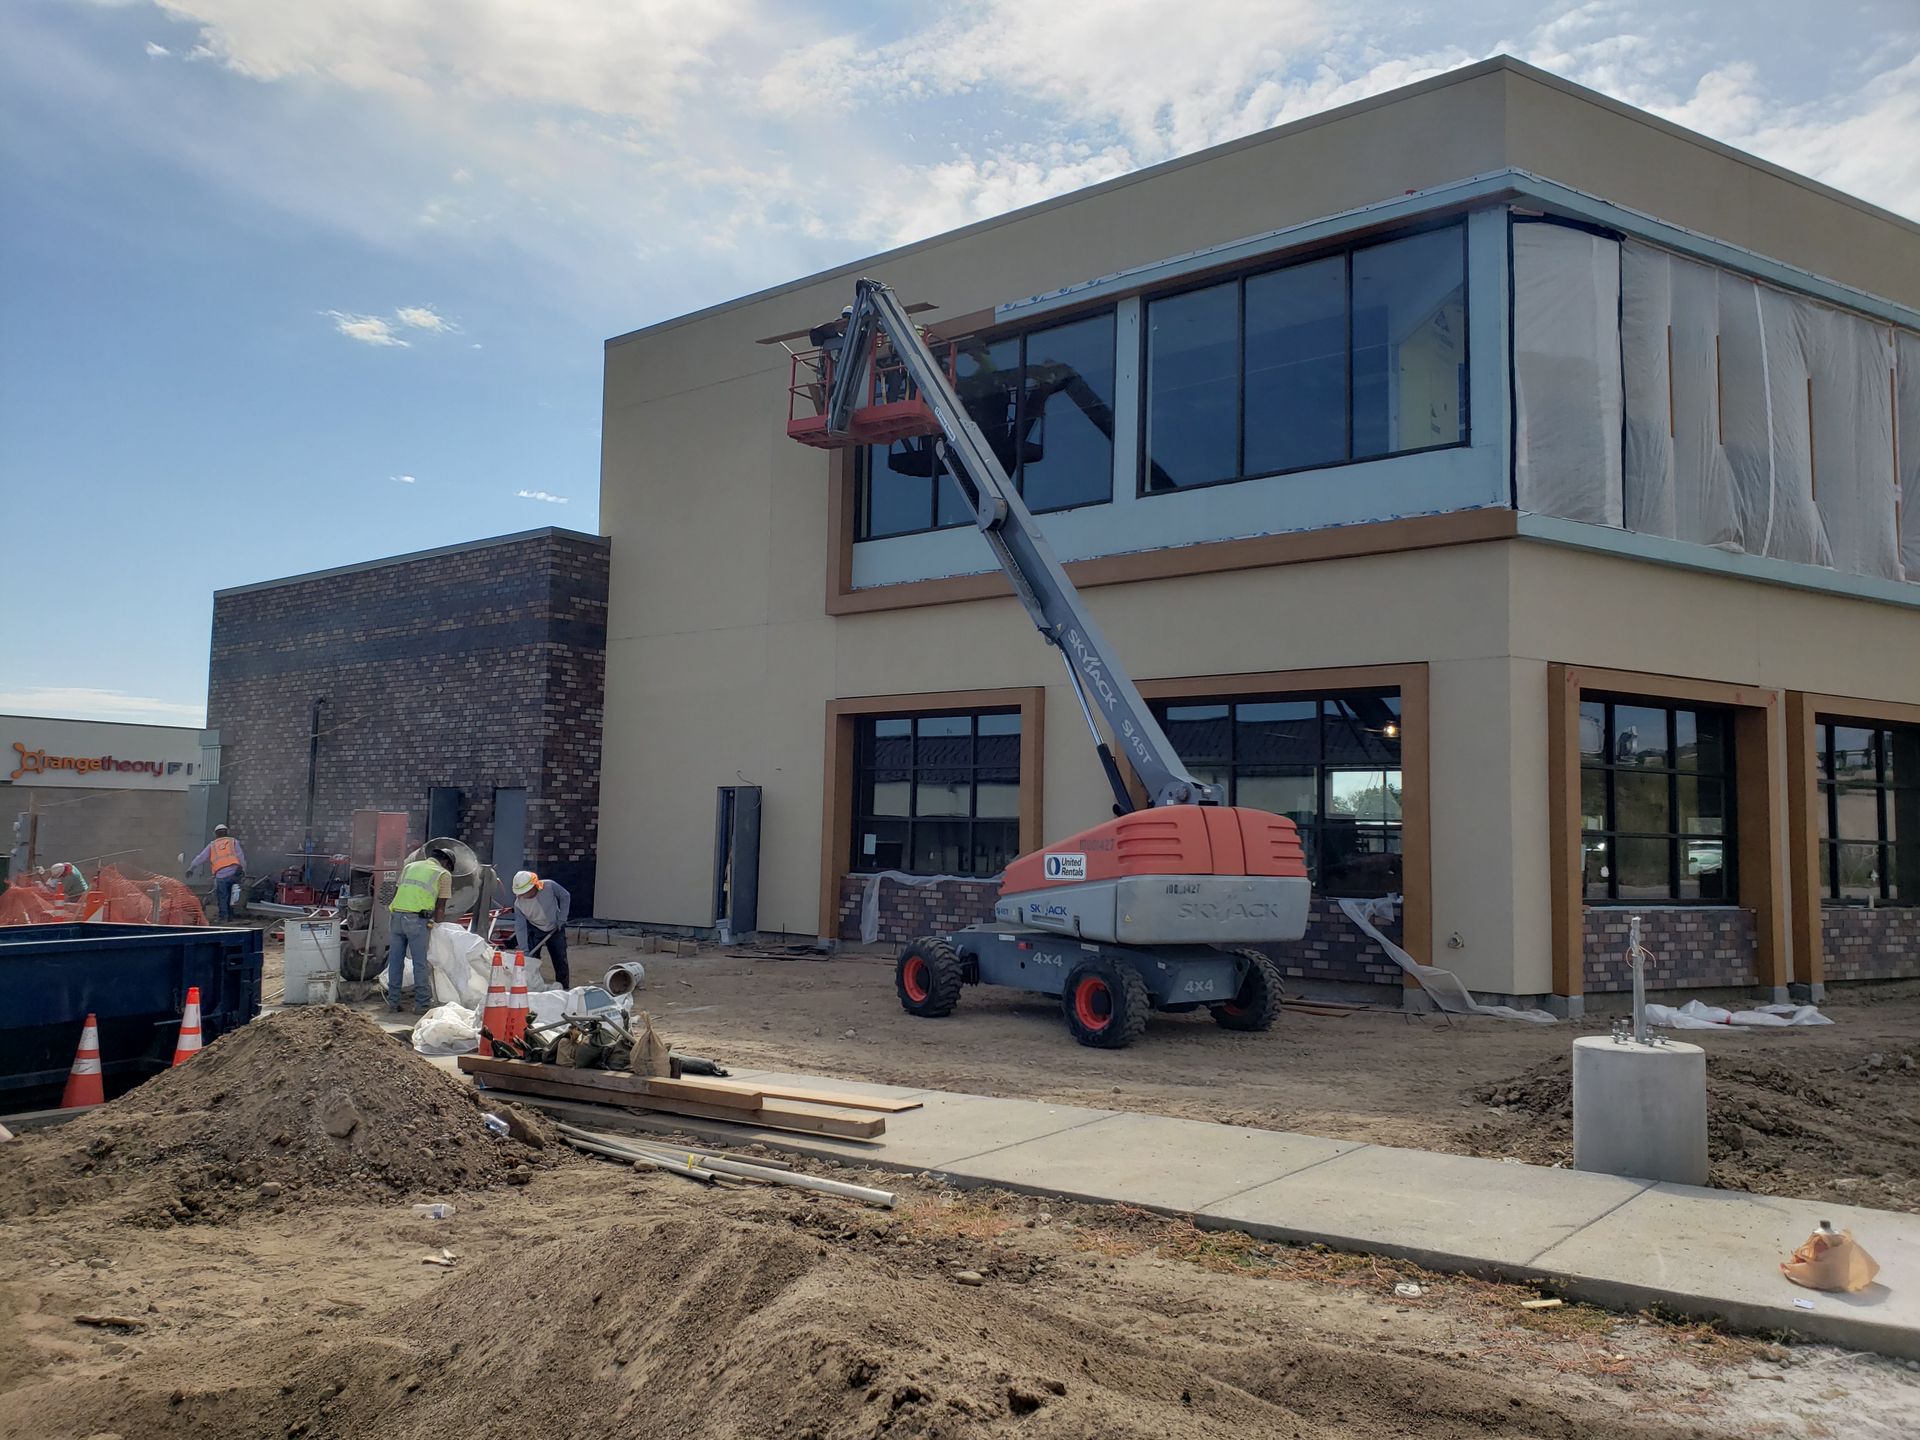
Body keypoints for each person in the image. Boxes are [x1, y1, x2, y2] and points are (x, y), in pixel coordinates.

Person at [386, 846, 453, 1013]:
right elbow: (440, 907)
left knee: (395, 961)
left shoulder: (410, 866)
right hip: (416, 920)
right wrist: (438, 926)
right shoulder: (443, 874)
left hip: (396, 917)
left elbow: (397, 892)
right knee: (420, 963)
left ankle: (393, 1003)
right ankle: (422, 1004)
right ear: (445, 862)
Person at [510, 870, 572, 989]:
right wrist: (524, 949)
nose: (523, 895)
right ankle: (533, 985)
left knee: (560, 958)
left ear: (534, 885)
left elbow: (565, 896)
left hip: (555, 928)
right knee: (531, 960)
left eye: (525, 891)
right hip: (535, 928)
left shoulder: (549, 886)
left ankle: (564, 988)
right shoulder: (518, 904)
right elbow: (520, 927)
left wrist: (562, 918)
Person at [187, 824, 247, 922]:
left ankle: (223, 917)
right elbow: (241, 856)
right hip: (235, 873)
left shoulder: (212, 845)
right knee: (232, 896)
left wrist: (191, 868)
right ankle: (230, 916)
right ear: (227, 832)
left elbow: (201, 857)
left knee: (222, 896)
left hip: (221, 875)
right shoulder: (233, 842)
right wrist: (244, 869)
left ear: (215, 834)